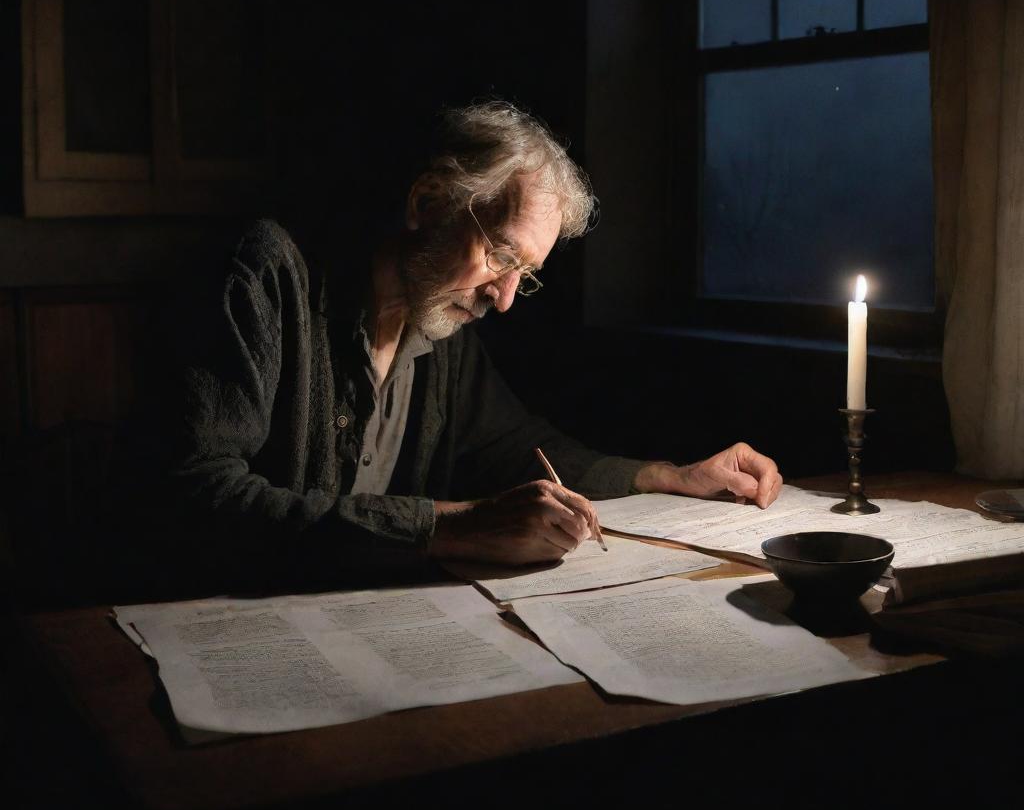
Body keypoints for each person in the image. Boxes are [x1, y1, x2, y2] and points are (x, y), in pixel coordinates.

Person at [159, 101, 781, 590]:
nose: (505, 297)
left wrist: (670, 477)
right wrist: (449, 527)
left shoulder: (440, 318)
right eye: (499, 256)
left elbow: (512, 446)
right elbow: (197, 501)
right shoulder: (267, 275)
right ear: (428, 203)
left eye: (526, 275)